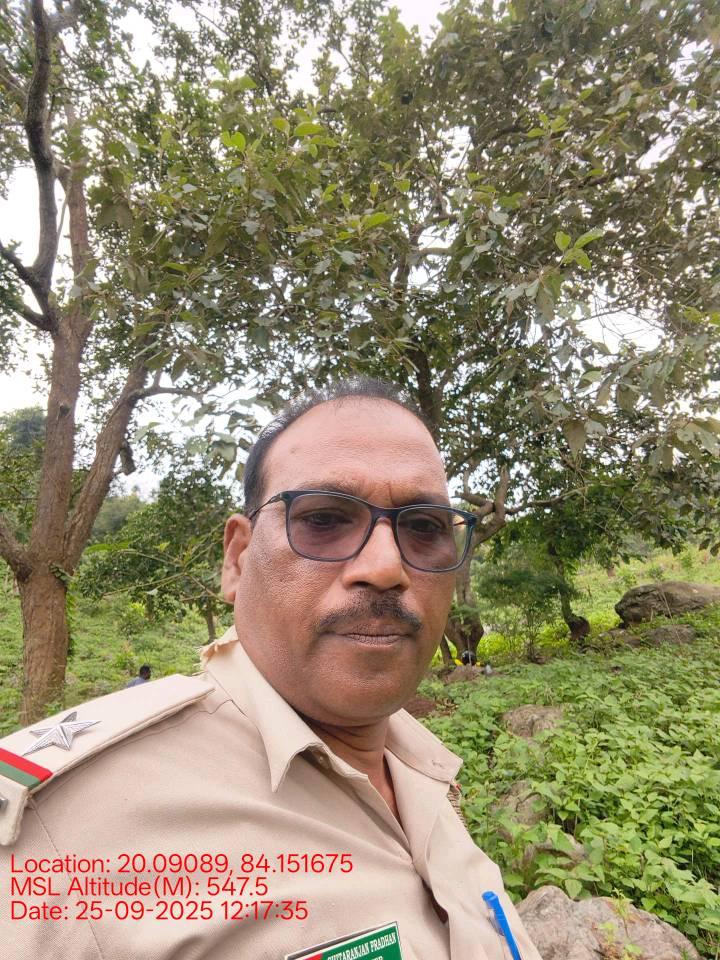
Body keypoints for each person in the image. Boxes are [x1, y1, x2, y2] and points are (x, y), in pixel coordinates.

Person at [0, 377, 542, 960]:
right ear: (238, 558)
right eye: (324, 519)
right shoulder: (57, 832)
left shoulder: (421, 770)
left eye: (424, 528)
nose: (387, 567)